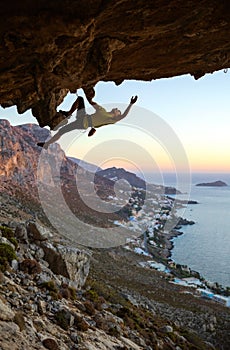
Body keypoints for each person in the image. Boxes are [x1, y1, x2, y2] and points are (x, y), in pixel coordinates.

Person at [37, 91, 138, 149]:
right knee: (80, 99)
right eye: (118, 109)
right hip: (83, 117)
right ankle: (68, 113)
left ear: (117, 115)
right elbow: (91, 102)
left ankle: (47, 144)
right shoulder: (102, 110)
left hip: (83, 123)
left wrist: (131, 104)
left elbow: (124, 115)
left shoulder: (111, 119)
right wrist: (86, 90)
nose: (117, 109)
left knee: (62, 131)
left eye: (118, 111)